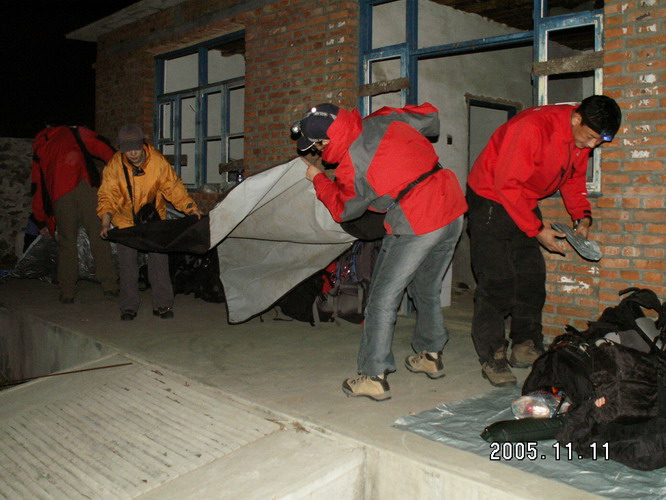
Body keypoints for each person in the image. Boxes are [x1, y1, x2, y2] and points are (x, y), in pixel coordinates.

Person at [293, 103, 467, 401]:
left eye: (317, 146)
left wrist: (318, 179)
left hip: (416, 218)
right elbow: (431, 118)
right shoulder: (382, 118)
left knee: (381, 299)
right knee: (426, 288)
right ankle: (430, 354)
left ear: (327, 139)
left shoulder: (351, 164)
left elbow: (344, 209)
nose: (318, 153)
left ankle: (374, 375)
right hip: (451, 206)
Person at [466, 95, 622, 387]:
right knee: (497, 280)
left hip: (522, 199)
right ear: (576, 118)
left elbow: (573, 179)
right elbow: (506, 184)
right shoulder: (531, 128)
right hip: (491, 197)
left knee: (531, 276)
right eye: (590, 137)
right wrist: (537, 229)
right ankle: (492, 355)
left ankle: (525, 344)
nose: (592, 146)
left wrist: (582, 217)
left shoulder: (580, 139)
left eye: (599, 141)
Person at [98, 124, 203, 321]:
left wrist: (191, 208)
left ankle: (162, 304)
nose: (133, 153)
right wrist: (106, 222)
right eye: (127, 149)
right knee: (128, 265)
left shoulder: (157, 162)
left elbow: (173, 188)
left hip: (153, 220)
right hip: (125, 221)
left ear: (142, 144)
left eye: (136, 148)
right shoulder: (114, 166)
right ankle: (128, 307)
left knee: (159, 262)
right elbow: (107, 196)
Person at [31, 124, 119, 303]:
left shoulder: (40, 145)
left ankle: (67, 291)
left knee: (67, 243)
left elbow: (37, 186)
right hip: (85, 185)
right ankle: (109, 285)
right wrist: (120, 166)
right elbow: (101, 146)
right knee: (99, 235)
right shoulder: (74, 132)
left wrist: (40, 219)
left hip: (60, 194)